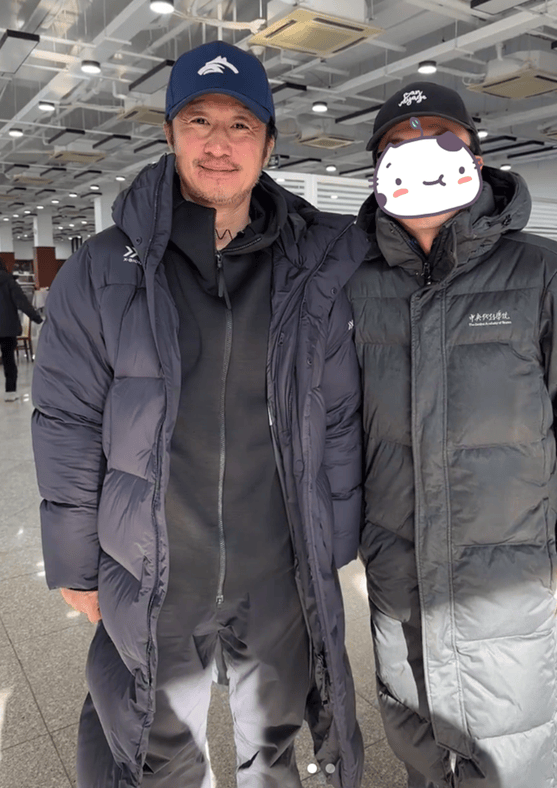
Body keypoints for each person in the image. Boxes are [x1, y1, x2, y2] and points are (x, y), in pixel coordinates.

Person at [31, 40, 367, 788]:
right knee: (159, 752)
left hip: (275, 567)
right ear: (170, 134)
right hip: (155, 569)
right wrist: (75, 562)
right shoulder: (104, 268)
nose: (219, 143)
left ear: (269, 143)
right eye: (199, 121)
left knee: (274, 746)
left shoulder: (312, 266)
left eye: (240, 125)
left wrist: (334, 541)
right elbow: (67, 421)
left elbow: (337, 412)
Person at [346, 82, 557, 788]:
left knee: (514, 736)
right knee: (412, 723)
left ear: (474, 156)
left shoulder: (541, 270)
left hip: (509, 559)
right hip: (398, 556)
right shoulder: (356, 281)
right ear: (378, 167)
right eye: (399, 143)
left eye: (440, 137)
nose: (420, 153)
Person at [0, 257, 42, 401]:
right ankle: (10, 392)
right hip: (7, 328)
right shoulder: (9, 281)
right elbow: (22, 302)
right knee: (9, 360)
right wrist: (36, 318)